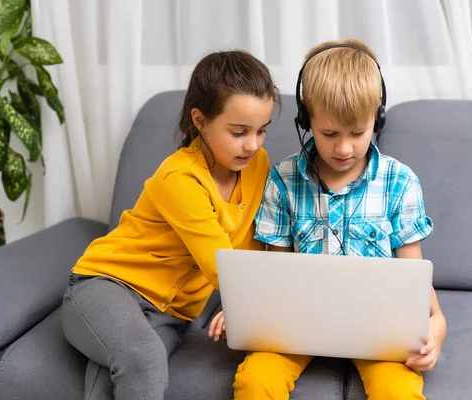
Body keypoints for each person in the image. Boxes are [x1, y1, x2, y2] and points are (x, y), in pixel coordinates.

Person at [209, 39, 447, 400]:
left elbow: (413, 279)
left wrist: (437, 325)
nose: (344, 148)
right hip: (296, 326)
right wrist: (245, 311)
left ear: (377, 117)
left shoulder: (399, 183)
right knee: (256, 380)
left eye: (358, 133)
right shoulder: (283, 180)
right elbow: (274, 272)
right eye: (329, 133)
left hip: (378, 331)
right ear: (307, 118)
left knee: (398, 391)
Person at [61, 50, 279, 400]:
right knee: (143, 361)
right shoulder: (179, 178)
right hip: (107, 287)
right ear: (200, 119)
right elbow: (221, 260)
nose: (252, 145)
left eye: (261, 131)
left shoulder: (257, 164)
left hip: (172, 313)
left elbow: (250, 244)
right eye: (239, 132)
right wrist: (248, 305)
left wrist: (235, 305)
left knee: (127, 374)